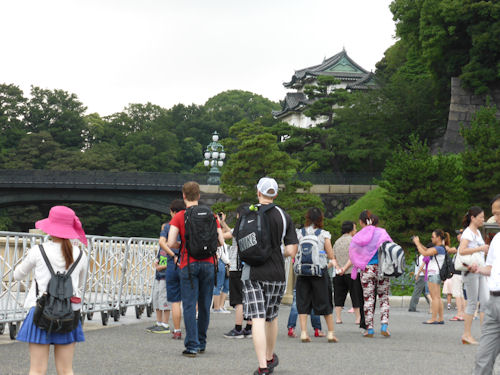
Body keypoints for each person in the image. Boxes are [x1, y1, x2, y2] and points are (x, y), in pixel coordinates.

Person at [234, 177, 298, 375]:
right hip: (277, 273)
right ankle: (270, 357)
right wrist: (277, 251)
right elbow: (291, 250)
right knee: (271, 317)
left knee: (257, 318)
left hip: (252, 271)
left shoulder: (247, 213)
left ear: (258, 192)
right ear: (275, 194)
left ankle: (262, 366)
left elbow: (238, 239)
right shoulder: (283, 215)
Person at [14, 206, 88, 375]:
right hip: (68, 313)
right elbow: (80, 284)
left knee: (37, 370)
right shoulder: (80, 255)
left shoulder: (38, 251)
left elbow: (17, 275)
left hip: (40, 311)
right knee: (66, 370)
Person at [167, 182, 224, 357]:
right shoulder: (211, 215)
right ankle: (202, 342)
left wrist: (183, 244)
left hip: (188, 264)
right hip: (208, 263)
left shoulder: (179, 217)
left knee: (190, 305)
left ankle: (192, 345)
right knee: (205, 305)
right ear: (199, 196)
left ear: (184, 196)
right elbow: (221, 241)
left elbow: (170, 243)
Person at [295, 207, 338, 343]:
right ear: (320, 219)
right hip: (319, 272)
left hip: (303, 272)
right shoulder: (323, 234)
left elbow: (295, 252)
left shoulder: (300, 233)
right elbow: (331, 255)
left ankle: (303, 332)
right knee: (324, 300)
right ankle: (330, 333)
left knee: (303, 301)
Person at [349, 210, 392, 338]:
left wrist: (361, 264)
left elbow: (353, 253)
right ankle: (384, 325)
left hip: (367, 269)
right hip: (382, 268)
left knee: (368, 299)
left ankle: (370, 328)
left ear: (361, 222)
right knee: (383, 297)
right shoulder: (382, 232)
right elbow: (390, 247)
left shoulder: (358, 236)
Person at [470, 194, 500, 374]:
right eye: (494, 214)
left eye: (499, 213)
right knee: (483, 358)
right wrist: (479, 269)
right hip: (493, 302)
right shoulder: (497, 239)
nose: (496, 218)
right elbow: (491, 267)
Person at [220, 206, 253, 338]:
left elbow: (223, 237)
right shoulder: (252, 229)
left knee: (238, 300)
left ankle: (238, 329)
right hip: (250, 267)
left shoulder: (238, 230)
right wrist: (223, 223)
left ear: (239, 215)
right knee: (249, 299)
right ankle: (249, 328)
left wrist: (217, 227)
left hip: (236, 268)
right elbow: (231, 232)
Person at [459, 206, 489, 345]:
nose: (483, 219)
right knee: (472, 302)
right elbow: (462, 251)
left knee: (484, 302)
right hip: (471, 270)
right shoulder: (468, 233)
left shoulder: (477, 232)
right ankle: (466, 334)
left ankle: (485, 336)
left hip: (480, 269)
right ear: (473, 218)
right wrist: (480, 248)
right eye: (481, 217)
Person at [159, 199, 186, 339]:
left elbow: (162, 242)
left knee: (175, 301)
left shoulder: (168, 227)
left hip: (172, 265)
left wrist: (172, 255)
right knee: (189, 299)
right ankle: (192, 328)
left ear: (172, 212)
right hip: (187, 263)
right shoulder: (187, 224)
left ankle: (177, 330)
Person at [412, 230, 451, 324]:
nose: (431, 238)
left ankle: (433, 318)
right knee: (437, 297)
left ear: (438, 238)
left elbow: (425, 253)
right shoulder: (440, 248)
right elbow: (426, 250)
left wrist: (417, 244)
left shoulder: (439, 248)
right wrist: (419, 243)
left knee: (435, 298)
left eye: (433, 236)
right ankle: (440, 318)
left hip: (434, 274)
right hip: (435, 274)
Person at [332, 220, 364, 326]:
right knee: (355, 295)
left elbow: (333, 257)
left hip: (338, 273)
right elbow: (353, 257)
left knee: (338, 295)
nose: (356, 230)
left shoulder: (337, 241)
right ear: (351, 230)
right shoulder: (354, 241)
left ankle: (338, 318)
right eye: (355, 228)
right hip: (351, 272)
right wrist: (345, 269)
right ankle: (358, 318)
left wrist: (339, 268)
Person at [146, 222, 171, 333]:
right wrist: (157, 262)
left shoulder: (172, 246)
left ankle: (165, 324)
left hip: (166, 275)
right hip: (159, 275)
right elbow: (160, 257)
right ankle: (158, 322)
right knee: (156, 298)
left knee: (164, 299)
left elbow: (174, 261)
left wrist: (162, 266)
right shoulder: (161, 246)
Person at [212, 242, 230, 313]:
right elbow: (221, 254)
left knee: (227, 286)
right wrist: (228, 262)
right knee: (218, 285)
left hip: (225, 264)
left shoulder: (223, 242)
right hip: (220, 262)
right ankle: (216, 307)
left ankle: (221, 306)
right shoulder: (218, 241)